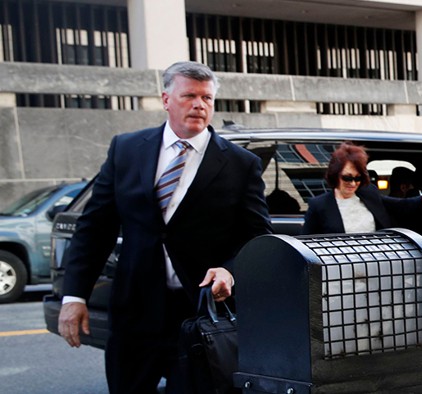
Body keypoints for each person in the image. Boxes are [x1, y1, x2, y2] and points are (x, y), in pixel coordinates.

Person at [57, 61, 272, 393]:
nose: (199, 105)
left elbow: (257, 237)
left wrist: (230, 271)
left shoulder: (240, 164)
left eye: (207, 98)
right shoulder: (126, 150)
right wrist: (74, 296)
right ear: (166, 99)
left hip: (200, 314)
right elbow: (94, 227)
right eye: (189, 95)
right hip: (134, 313)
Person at [301, 142, 422, 235]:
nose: (353, 183)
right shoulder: (320, 206)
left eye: (358, 178)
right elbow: (305, 248)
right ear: (335, 175)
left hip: (375, 272)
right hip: (338, 277)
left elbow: (401, 206)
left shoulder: (368, 194)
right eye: (347, 178)